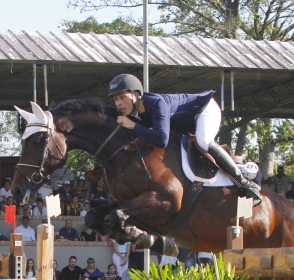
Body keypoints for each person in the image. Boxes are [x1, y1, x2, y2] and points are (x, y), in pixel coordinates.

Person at [109, 73, 261, 204]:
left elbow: (161, 139)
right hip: (185, 125)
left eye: (122, 97)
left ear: (136, 95)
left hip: (204, 110)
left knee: (203, 141)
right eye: (116, 99)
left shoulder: (156, 103)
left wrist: (133, 126)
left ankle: (245, 183)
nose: (119, 103)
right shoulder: (134, 114)